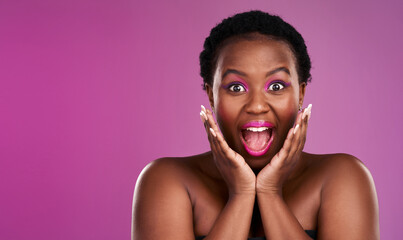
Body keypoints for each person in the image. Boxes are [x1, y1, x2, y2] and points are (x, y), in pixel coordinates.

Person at [131, 10, 379, 240]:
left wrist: (270, 193)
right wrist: (241, 195)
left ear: (301, 93)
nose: (257, 105)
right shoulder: (168, 181)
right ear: (211, 96)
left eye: (276, 86)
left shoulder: (342, 177)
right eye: (236, 88)